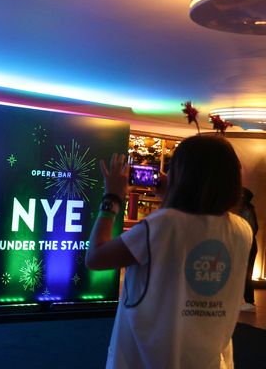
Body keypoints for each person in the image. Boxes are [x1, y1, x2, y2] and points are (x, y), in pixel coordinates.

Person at [86, 135, 252, 368]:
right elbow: (189, 234)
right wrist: (171, 200)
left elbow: (95, 257)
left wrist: (112, 198)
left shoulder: (163, 224)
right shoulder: (241, 230)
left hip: (148, 359)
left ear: (181, 175)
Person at [239, 187, 258, 312]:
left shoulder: (246, 210)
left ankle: (250, 301)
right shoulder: (246, 210)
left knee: (246, 273)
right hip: (247, 244)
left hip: (248, 245)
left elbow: (251, 229)